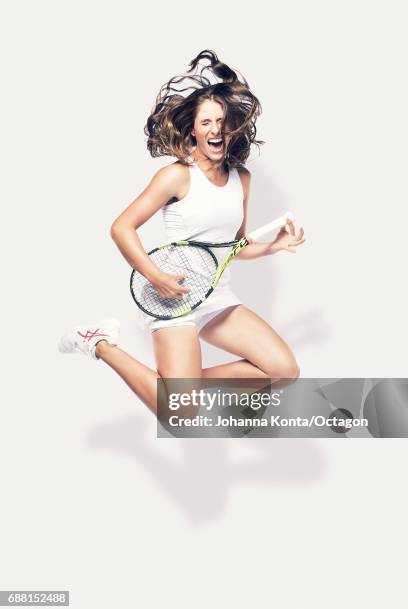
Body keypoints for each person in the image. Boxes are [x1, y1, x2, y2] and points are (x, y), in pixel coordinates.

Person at [58, 50, 306, 417]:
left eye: (221, 121)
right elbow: (121, 227)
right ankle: (99, 344)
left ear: (232, 127)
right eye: (206, 122)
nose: (215, 130)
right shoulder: (176, 175)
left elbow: (232, 246)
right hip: (170, 295)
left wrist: (273, 247)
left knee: (284, 370)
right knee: (182, 413)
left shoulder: (242, 179)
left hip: (214, 292)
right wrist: (155, 276)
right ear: (193, 128)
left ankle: (180, 389)